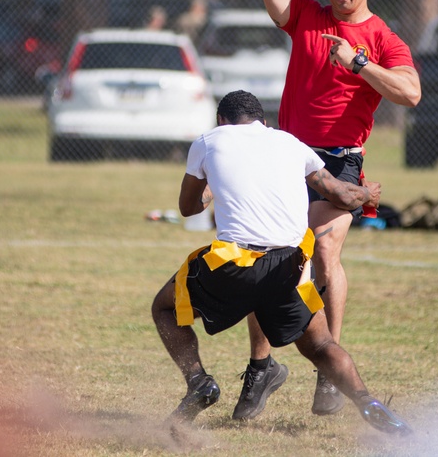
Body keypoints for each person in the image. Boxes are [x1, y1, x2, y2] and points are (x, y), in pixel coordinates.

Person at [222, 0, 422, 417]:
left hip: (340, 164)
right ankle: (262, 367)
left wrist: (358, 63)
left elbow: (410, 92)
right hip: (287, 159)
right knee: (266, 255)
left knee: (321, 255)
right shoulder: (307, 16)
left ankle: (329, 368)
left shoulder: (381, 39)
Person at [150, 90, 412, 436]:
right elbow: (342, 195)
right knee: (321, 345)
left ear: (221, 121)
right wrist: (368, 194)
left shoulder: (207, 141)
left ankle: (199, 381)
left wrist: (215, 183)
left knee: (164, 308)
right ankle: (367, 401)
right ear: (263, 121)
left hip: (234, 264)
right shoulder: (290, 143)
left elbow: (188, 206)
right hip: (288, 266)